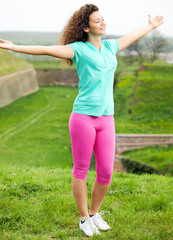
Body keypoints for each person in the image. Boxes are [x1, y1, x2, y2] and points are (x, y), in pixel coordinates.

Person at [0, 4, 164, 237]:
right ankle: (84, 218)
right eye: (97, 21)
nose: (103, 22)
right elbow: (45, 49)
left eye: (103, 19)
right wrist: (14, 46)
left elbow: (132, 36)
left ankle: (95, 213)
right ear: (86, 27)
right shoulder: (78, 49)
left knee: (106, 172)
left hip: (107, 118)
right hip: (83, 117)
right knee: (81, 169)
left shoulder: (110, 46)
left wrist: (150, 26)